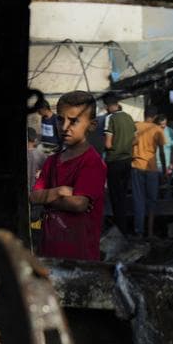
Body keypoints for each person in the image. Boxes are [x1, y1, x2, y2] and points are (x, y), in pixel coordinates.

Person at [30, 90, 108, 260]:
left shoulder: (92, 162)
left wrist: (48, 200)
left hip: (80, 255)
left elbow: (79, 204)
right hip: (49, 251)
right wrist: (60, 191)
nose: (64, 127)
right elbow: (33, 196)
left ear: (92, 125)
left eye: (74, 121)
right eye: (60, 119)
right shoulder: (51, 161)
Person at [101, 92, 136, 233]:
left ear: (108, 106)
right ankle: (125, 229)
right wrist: (125, 145)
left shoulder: (110, 118)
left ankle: (119, 230)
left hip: (114, 161)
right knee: (123, 195)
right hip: (127, 161)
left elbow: (108, 145)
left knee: (115, 197)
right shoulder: (129, 117)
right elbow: (136, 140)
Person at [130, 110, 168, 236]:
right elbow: (161, 152)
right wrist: (164, 171)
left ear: (145, 115)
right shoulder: (157, 129)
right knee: (152, 201)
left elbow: (130, 144)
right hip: (152, 169)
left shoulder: (135, 126)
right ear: (155, 116)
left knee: (138, 200)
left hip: (136, 166)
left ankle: (139, 232)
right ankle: (150, 233)